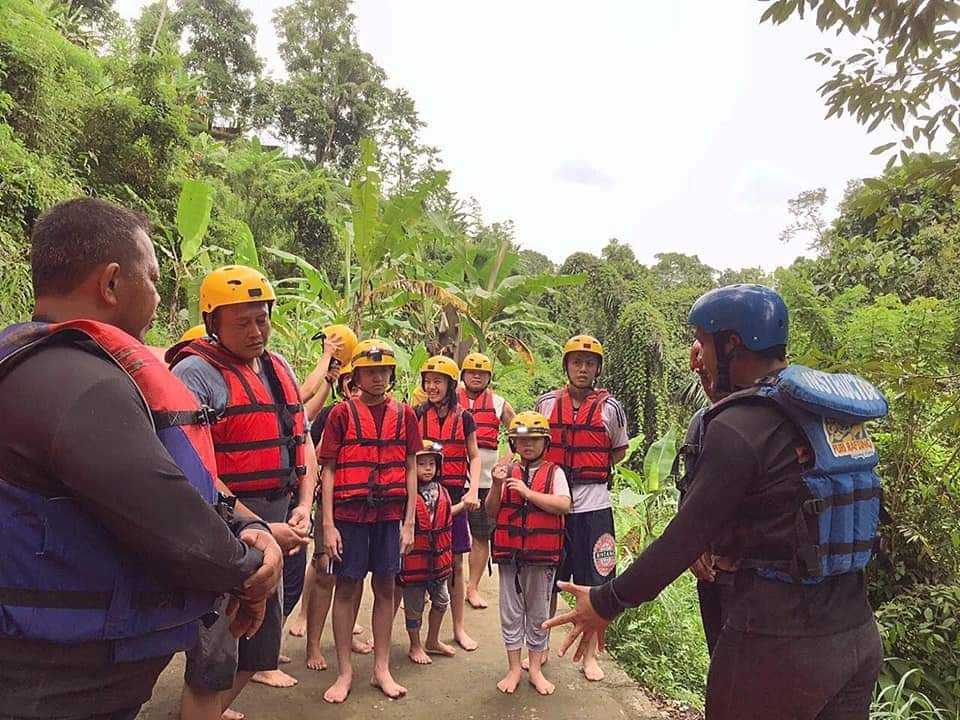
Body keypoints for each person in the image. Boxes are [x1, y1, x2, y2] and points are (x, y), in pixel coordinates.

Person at [546, 284, 889, 720]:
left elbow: (683, 540)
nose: (696, 354)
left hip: (776, 646)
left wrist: (605, 601)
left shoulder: (740, 426)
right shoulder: (822, 413)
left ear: (731, 344)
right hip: (855, 637)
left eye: (702, 341)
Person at [0, 197, 282, 720]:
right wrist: (251, 567)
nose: (155, 294)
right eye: (151, 278)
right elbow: (171, 521)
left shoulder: (37, 364)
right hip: (55, 677)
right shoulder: (82, 387)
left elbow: (174, 480)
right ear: (111, 284)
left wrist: (247, 523)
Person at [169, 265, 317, 717]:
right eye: (242, 322)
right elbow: (188, 467)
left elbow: (301, 439)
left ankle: (205, 713)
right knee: (213, 657)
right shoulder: (194, 373)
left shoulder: (278, 366)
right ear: (213, 323)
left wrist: (305, 505)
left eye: (262, 319)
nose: (256, 332)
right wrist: (260, 526)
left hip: (280, 519)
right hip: (225, 527)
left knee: (257, 651)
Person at [318, 339, 419, 703]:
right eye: (370, 371)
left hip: (390, 514)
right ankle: (345, 672)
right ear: (356, 375)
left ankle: (381, 669)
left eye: (383, 371)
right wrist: (328, 525)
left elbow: (410, 468)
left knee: (387, 588)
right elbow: (327, 470)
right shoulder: (340, 414)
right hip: (350, 514)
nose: (378, 377)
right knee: (346, 588)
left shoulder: (405, 414)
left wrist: (409, 522)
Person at [534, 334, 628, 681]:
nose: (583, 368)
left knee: (594, 583)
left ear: (598, 369)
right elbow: (534, 446)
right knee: (548, 578)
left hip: (594, 505)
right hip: (552, 501)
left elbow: (617, 450)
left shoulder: (610, 409)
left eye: (589, 363)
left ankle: (590, 655)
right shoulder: (545, 403)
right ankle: (539, 643)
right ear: (566, 365)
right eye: (577, 362)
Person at [486, 412, 571, 696]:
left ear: (545, 443)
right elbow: (491, 510)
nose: (528, 445)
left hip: (541, 557)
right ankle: (513, 669)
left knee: (537, 613)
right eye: (521, 440)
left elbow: (563, 505)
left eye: (534, 440)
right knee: (510, 613)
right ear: (513, 443)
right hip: (511, 556)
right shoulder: (505, 470)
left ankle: (534, 669)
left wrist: (526, 493)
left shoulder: (555, 473)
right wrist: (497, 485)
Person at [298, 361, 373, 670]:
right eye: (351, 387)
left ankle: (345, 637)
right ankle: (313, 645)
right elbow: (315, 454)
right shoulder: (332, 415)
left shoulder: (381, 415)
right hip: (333, 504)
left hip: (363, 509)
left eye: (360, 387)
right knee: (326, 573)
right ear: (345, 388)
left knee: (354, 578)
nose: (357, 392)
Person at [417, 355, 483, 651]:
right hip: (421, 494)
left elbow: (475, 456)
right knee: (411, 564)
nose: (432, 387)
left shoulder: (464, 417)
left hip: (454, 494)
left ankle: (457, 627)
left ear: (450, 384)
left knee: (455, 564)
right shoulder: (418, 413)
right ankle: (416, 635)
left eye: (438, 381)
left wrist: (472, 493)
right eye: (428, 381)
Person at [679, 340, 733, 656]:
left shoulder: (764, 421)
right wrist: (692, 545)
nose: (707, 384)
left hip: (755, 576)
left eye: (709, 373)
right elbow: (688, 488)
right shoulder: (701, 422)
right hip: (712, 569)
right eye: (701, 377)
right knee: (720, 657)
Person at [458, 352, 515, 610]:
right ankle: (429, 587)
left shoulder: (499, 403)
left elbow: (518, 433)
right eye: (472, 372)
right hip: (455, 478)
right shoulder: (450, 399)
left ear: (489, 377)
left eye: (481, 373)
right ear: (463, 375)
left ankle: (473, 587)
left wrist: (507, 460)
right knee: (442, 534)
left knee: (481, 536)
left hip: (485, 481)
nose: (477, 376)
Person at [395, 440, 461, 664]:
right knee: (414, 608)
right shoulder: (405, 494)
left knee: (442, 601)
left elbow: (445, 516)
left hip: (438, 562)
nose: (427, 468)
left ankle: (432, 640)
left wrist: (466, 505)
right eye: (421, 463)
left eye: (431, 463)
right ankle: (415, 645)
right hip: (415, 563)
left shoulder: (441, 491)